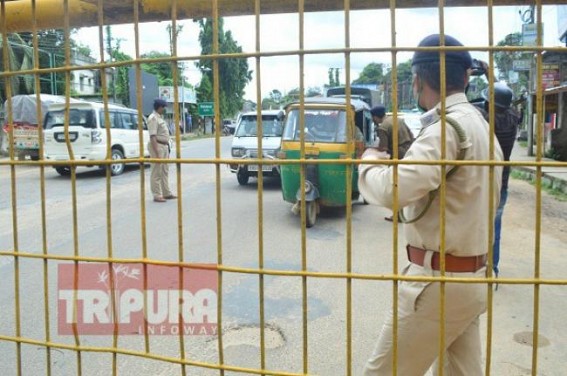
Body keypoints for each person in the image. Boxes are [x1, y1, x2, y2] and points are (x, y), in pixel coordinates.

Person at [358, 34, 503, 375]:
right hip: (474, 278)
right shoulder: (482, 126)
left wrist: (367, 162)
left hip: (439, 284)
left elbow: (393, 191)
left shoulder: (446, 129)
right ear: (465, 78)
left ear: (418, 80)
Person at [472, 79, 521, 280]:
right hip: (502, 181)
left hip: (482, 180)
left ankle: (474, 267)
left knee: (474, 224)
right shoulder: (514, 116)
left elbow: (470, 107)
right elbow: (502, 100)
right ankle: (493, 269)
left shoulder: (484, 118)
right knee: (495, 227)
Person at [369, 105, 415, 221]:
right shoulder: (398, 120)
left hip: (397, 156)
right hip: (410, 153)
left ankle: (398, 215)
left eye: (373, 118)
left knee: (395, 185)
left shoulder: (383, 127)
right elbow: (412, 136)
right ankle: (406, 213)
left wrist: (372, 151)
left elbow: (384, 148)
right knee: (406, 185)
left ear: (375, 117)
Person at [147, 98, 176, 203]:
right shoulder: (153, 118)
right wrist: (157, 152)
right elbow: (153, 136)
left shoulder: (159, 118)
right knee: (156, 172)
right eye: (163, 107)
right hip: (157, 146)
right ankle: (157, 195)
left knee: (164, 171)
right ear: (159, 107)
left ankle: (166, 193)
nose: (164, 109)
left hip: (164, 146)